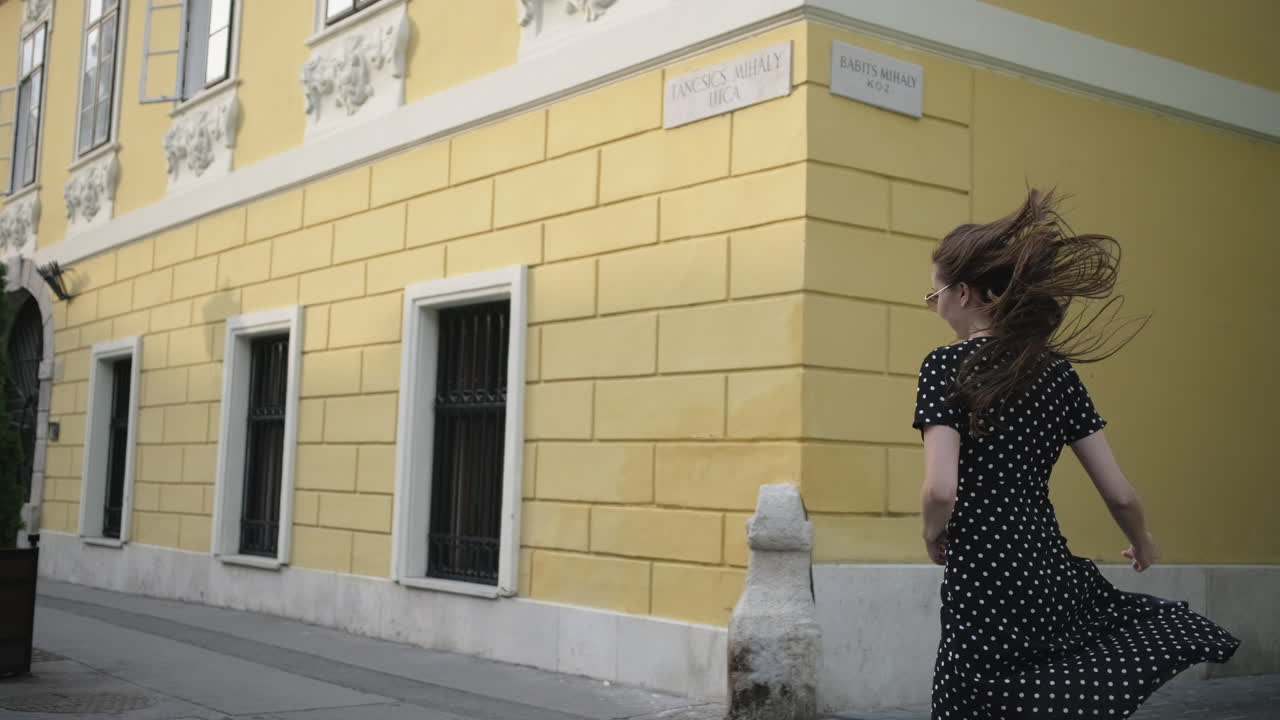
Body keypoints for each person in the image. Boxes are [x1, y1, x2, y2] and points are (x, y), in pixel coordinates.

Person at [913, 189, 1240, 719]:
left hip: (982, 570)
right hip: (1047, 565)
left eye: (934, 295)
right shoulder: (1057, 373)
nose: (934, 306)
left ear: (967, 293)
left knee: (971, 702)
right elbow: (1120, 494)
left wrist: (932, 534)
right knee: (1047, 696)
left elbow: (941, 488)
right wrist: (1142, 543)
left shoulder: (945, 365)